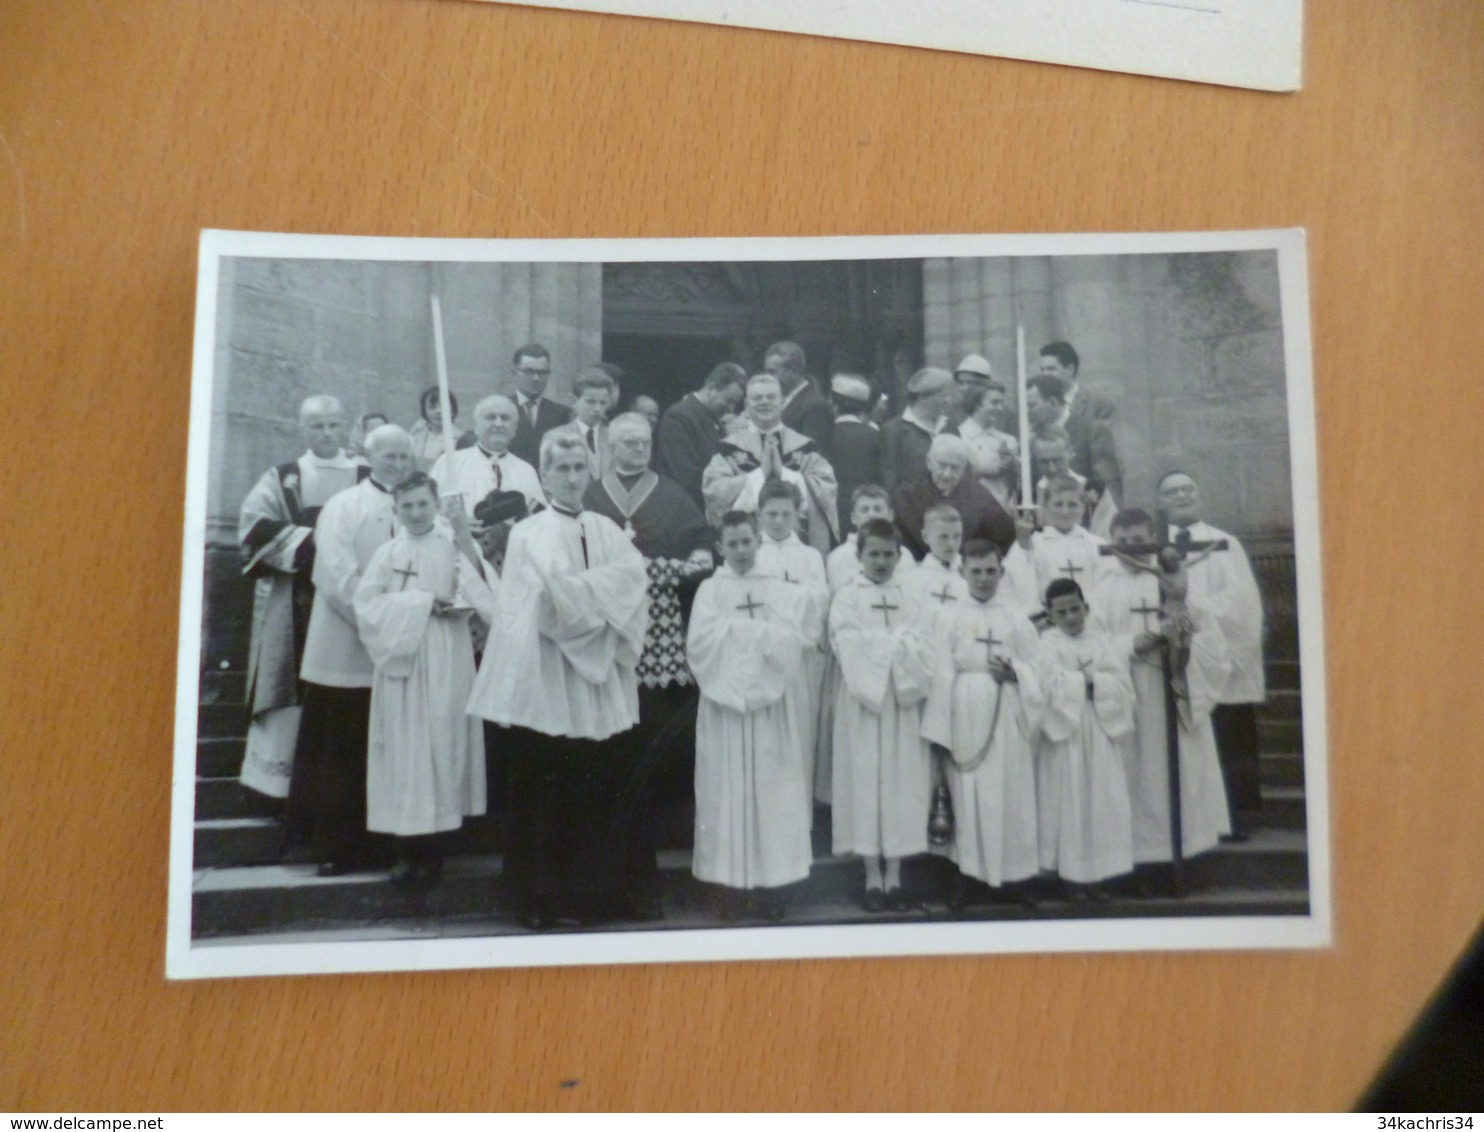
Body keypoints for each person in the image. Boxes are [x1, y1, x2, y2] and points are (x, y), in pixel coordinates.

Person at [465, 431, 650, 929]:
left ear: (589, 474)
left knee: (598, 781)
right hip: (550, 676)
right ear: (544, 475)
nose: (571, 478)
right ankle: (542, 897)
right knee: (550, 785)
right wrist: (597, 599)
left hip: (597, 679)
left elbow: (633, 581)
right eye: (561, 469)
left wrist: (588, 597)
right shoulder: (530, 533)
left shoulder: (607, 528)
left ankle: (601, 893)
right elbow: (547, 605)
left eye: (578, 468)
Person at [582, 412, 714, 905]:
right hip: (603, 633)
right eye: (627, 443)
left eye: (643, 442)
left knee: (645, 748)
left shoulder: (673, 493)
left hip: (656, 638)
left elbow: (700, 542)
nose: (636, 449)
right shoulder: (593, 494)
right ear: (610, 447)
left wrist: (697, 559)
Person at [353, 473, 497, 886]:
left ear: (436, 505)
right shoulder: (388, 552)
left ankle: (435, 850)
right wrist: (420, 603)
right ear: (395, 509)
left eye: (423, 504)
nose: (415, 513)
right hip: (403, 661)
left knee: (442, 742)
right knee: (403, 748)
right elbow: (367, 605)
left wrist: (459, 599)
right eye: (407, 506)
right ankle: (405, 849)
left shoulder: (453, 546)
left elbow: (487, 598)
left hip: (448, 656)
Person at [285, 424, 414, 875]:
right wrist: (381, 621)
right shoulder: (345, 505)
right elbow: (335, 573)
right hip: (347, 643)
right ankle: (336, 846)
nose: (397, 465)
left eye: (404, 457)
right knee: (341, 748)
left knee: (385, 750)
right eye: (389, 456)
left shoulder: (418, 507)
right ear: (367, 455)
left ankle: (384, 842)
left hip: (396, 646)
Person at [687, 510, 819, 921]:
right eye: (733, 544)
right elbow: (700, 645)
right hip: (726, 710)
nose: (741, 550)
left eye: (747, 542)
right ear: (720, 548)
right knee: (726, 794)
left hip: (768, 709)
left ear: (757, 543)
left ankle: (770, 887)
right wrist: (754, 635)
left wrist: (744, 634)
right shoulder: (710, 590)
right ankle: (728, 888)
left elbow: (794, 639)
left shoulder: (778, 589)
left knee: (770, 795)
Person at [238, 395, 367, 800]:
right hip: (294, 599)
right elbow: (253, 527)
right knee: (287, 683)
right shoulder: (283, 477)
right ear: (302, 428)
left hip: (351, 600)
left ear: (346, 426)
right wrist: (316, 543)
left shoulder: (365, 474)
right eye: (316, 426)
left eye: (333, 425)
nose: (326, 433)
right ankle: (279, 788)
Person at [1092, 508, 1233, 876]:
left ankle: (1182, 855)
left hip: (1171, 686)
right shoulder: (1102, 586)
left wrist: (1181, 632)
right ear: (1111, 542)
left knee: (1176, 771)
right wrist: (1129, 644)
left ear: (1154, 537)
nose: (1131, 548)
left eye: (1140, 540)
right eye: (1122, 542)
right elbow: (1093, 641)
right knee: (1136, 774)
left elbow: (1205, 627)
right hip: (1129, 690)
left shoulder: (1173, 579)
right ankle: (1139, 862)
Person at [921, 539, 1043, 905]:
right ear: (962, 573)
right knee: (968, 794)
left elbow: (1039, 664)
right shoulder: (948, 617)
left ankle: (1016, 877)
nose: (985, 578)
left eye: (991, 571)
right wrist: (942, 729)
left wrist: (1017, 674)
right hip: (965, 709)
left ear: (1002, 573)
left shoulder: (1016, 618)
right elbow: (940, 671)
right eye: (976, 571)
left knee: (1012, 791)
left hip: (1008, 710)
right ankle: (967, 876)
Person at [830, 519, 936, 911]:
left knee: (899, 784)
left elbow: (924, 645)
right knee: (866, 784)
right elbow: (846, 642)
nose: (880, 561)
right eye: (872, 553)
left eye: (887, 554)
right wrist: (895, 644)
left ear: (899, 556)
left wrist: (888, 648)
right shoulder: (846, 596)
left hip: (901, 704)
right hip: (864, 704)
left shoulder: (912, 595)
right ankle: (872, 875)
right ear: (858, 556)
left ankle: (896, 875)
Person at [1156, 471, 1266, 835]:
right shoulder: (1151, 547)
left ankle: (1236, 818)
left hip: (1219, 651)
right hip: (1174, 655)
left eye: (1189, 488)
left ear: (1199, 496)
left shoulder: (1224, 543)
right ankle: (1189, 822)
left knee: (1229, 736)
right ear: (1160, 502)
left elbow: (1242, 603)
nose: (1182, 495)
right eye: (1172, 491)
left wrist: (1192, 612)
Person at [1033, 577, 1136, 899]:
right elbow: (1045, 684)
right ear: (1049, 616)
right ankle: (1071, 877)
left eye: (1076, 609)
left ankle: (1098, 876)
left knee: (1100, 800)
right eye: (1061, 613)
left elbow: (1122, 684)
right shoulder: (1046, 644)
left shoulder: (1102, 642)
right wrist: (1087, 683)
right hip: (1066, 734)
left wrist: (1086, 684)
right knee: (1069, 801)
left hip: (1099, 728)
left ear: (1087, 608)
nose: (1071, 618)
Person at [754, 477, 830, 810]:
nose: (779, 522)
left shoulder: (811, 556)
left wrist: (781, 603)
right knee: (769, 740)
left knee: (801, 735)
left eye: (786, 514)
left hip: (802, 659)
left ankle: (803, 821)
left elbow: (819, 601)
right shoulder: (752, 553)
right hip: (767, 658)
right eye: (772, 514)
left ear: (797, 514)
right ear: (759, 515)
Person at [701, 373, 839, 554]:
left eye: (771, 397)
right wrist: (759, 475)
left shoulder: (805, 446)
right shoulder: (728, 448)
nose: (764, 402)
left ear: (782, 401)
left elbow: (826, 488)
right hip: (746, 549)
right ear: (746, 404)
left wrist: (786, 474)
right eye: (757, 398)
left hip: (798, 546)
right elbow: (714, 492)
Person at [890, 434, 1016, 563]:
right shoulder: (906, 495)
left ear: (964, 468)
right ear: (929, 462)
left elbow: (1006, 539)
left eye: (955, 468)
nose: (947, 474)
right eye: (942, 465)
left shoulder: (978, 495)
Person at [1002, 474, 1106, 619]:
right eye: (1058, 504)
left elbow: (1105, 587)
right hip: (1049, 620)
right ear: (1045, 507)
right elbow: (1018, 580)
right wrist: (1023, 547)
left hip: (1091, 619)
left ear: (1083, 507)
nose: (1065, 511)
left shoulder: (1096, 544)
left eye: (1073, 504)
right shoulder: (1034, 543)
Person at [429, 394, 545, 516]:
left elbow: (539, 521)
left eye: (505, 418)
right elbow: (429, 510)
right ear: (476, 426)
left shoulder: (526, 471)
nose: (499, 424)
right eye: (490, 417)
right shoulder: (449, 463)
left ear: (515, 428)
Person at [653, 361, 746, 509]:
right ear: (711, 388)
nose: (731, 408)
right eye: (728, 401)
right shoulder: (679, 417)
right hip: (685, 510)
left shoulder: (715, 421)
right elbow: (684, 475)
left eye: (734, 403)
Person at [1025, 373, 1123, 512]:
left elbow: (1109, 486)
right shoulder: (1030, 439)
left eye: (1031, 406)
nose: (1026, 412)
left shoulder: (1092, 431)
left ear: (1053, 402)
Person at [879, 367, 959, 491]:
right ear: (922, 398)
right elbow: (890, 482)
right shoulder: (894, 431)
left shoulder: (950, 426)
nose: (948, 401)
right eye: (943, 395)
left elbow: (963, 470)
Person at [825, 485, 916, 592]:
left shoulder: (904, 554)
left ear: (890, 515)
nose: (871, 514)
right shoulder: (839, 556)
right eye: (864, 510)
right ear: (853, 517)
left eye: (877, 509)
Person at [827, 373, 882, 536]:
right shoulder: (876, 435)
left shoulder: (825, 435)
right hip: (867, 512)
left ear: (834, 404)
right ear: (864, 407)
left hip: (832, 512)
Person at [505, 344, 574, 467]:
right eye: (529, 372)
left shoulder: (562, 413)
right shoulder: (501, 409)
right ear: (514, 373)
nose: (536, 378)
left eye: (542, 373)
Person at [957, 378, 1019, 510]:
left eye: (1001, 403)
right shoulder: (959, 438)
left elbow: (1015, 486)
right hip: (973, 511)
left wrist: (1013, 465)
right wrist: (980, 470)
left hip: (1005, 512)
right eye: (994, 403)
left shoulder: (1008, 440)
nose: (1000, 408)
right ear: (976, 404)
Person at [766, 340, 834, 459]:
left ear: (793, 371)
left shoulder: (815, 406)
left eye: (772, 372)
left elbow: (813, 458)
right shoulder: (781, 401)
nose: (767, 378)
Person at [547, 365, 616, 478]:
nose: (597, 409)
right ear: (574, 401)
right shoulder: (556, 437)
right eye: (591, 402)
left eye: (602, 403)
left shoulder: (615, 437)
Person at [903, 502, 969, 611]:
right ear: (925, 537)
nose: (951, 543)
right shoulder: (913, 579)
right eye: (943, 536)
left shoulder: (970, 574)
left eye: (957, 536)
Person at [1038, 340, 1117, 422]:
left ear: (1070, 369)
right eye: (1042, 370)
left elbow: (1105, 434)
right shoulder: (1041, 404)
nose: (1044, 375)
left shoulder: (1099, 404)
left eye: (1051, 369)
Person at [408, 386, 461, 472]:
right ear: (424, 410)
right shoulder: (415, 435)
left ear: (452, 410)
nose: (438, 411)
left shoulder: (460, 439)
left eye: (443, 406)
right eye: (432, 407)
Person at [947, 353, 997, 430]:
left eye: (970, 383)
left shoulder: (1001, 413)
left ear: (986, 383)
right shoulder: (950, 413)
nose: (964, 388)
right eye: (961, 383)